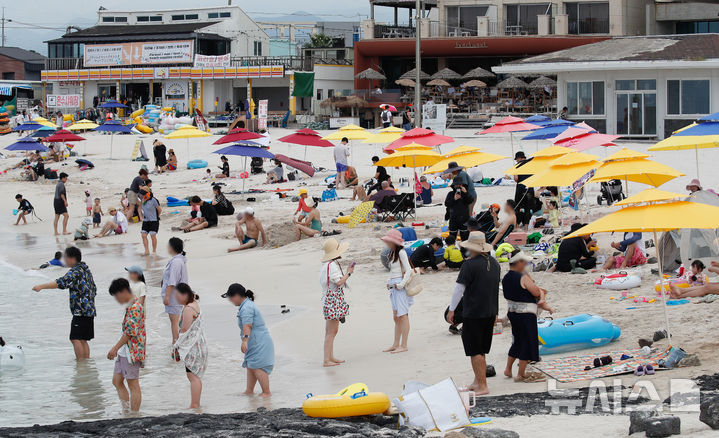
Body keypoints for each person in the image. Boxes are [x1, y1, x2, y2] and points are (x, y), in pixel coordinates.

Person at [446, 232, 501, 395]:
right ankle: (477, 381)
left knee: (475, 350)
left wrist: (452, 309)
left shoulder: (469, 265)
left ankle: (483, 386)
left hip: (474, 312)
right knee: (481, 349)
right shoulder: (495, 263)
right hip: (490, 311)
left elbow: (459, 289)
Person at [32, 247, 97, 360]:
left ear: (72, 258)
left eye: (66, 258)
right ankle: (86, 366)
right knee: (83, 339)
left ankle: (80, 364)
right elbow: (94, 289)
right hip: (89, 310)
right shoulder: (86, 270)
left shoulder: (75, 271)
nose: (65, 261)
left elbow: (61, 282)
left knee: (75, 338)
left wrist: (41, 286)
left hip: (80, 311)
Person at [503, 251, 549, 383]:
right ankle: (521, 374)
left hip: (513, 311)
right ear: (519, 263)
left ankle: (508, 368)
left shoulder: (506, 277)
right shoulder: (522, 277)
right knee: (527, 342)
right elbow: (535, 291)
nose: (526, 265)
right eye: (525, 262)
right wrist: (541, 292)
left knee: (517, 341)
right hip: (525, 313)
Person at [222, 283, 274, 397]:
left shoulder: (247, 307)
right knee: (251, 365)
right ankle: (249, 391)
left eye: (231, 298)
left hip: (258, 340)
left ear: (237, 295)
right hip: (255, 339)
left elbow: (248, 325)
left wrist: (245, 340)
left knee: (257, 366)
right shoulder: (246, 305)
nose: (230, 300)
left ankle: (266, 392)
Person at [107, 278, 146, 412]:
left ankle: (134, 414)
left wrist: (114, 348)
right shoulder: (131, 304)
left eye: (117, 296)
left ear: (124, 291)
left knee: (133, 384)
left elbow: (130, 332)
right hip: (125, 350)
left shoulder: (135, 307)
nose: (117, 300)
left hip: (133, 351)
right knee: (116, 381)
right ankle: (126, 410)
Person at [173, 283, 207, 409]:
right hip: (199, 343)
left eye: (177, 295)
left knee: (192, 376)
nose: (176, 298)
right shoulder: (195, 305)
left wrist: (176, 346)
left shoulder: (188, 309)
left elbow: (184, 329)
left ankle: (195, 404)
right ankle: (196, 403)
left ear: (185, 294)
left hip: (193, 346)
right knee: (195, 376)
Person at [319, 238, 353, 367]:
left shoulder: (326, 265)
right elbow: (339, 282)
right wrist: (349, 273)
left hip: (328, 299)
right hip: (333, 300)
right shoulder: (332, 265)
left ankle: (330, 357)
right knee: (331, 331)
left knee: (331, 331)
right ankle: (326, 360)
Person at [380, 229, 413, 354]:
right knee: (396, 317)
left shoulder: (401, 252)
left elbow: (409, 270)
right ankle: (395, 344)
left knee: (403, 315)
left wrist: (401, 284)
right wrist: (390, 283)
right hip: (393, 287)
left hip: (399, 287)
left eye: (388, 241)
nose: (387, 243)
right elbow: (393, 272)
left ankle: (403, 345)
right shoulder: (393, 253)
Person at [162, 237, 188, 345]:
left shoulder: (176, 262)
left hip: (174, 296)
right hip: (177, 295)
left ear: (172, 247)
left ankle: (176, 345)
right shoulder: (178, 260)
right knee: (174, 321)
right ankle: (176, 344)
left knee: (175, 322)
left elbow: (172, 281)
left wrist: (167, 297)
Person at [445, 176, 472, 242]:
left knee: (465, 238)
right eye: (456, 185)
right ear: (454, 186)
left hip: (464, 219)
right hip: (453, 219)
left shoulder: (465, 193)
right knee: (452, 238)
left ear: (462, 185)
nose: (458, 187)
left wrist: (465, 193)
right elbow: (446, 204)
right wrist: (454, 199)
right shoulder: (451, 194)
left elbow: (470, 201)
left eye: (460, 185)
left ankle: (464, 251)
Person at [513, 152, 534, 229]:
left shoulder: (517, 166)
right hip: (530, 189)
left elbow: (516, 179)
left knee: (518, 208)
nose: (516, 161)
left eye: (516, 159)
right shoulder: (532, 165)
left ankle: (516, 226)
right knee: (528, 208)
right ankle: (526, 227)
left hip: (520, 189)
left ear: (519, 158)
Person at [139, 190, 162, 255]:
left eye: (142, 194)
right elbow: (139, 208)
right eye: (141, 195)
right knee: (143, 235)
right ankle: (146, 251)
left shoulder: (154, 200)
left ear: (147, 193)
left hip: (154, 220)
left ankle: (154, 251)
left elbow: (159, 209)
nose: (141, 196)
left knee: (152, 235)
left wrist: (156, 216)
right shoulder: (142, 200)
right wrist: (141, 216)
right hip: (146, 220)